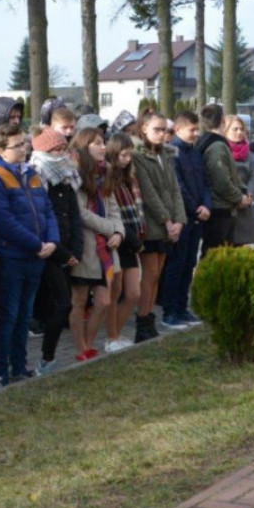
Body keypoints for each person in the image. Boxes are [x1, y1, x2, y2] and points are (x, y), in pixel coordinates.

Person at [0, 123, 58, 384]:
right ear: (1, 150)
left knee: (25, 314)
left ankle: (20, 366)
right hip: (13, 258)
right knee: (9, 314)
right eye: (17, 145)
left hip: (36, 257)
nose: (24, 149)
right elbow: (4, 221)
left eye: (24, 143)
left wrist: (52, 240)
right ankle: (1, 370)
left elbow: (47, 210)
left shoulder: (32, 173)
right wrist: (36, 244)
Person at [27, 127, 82, 374]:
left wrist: (75, 251)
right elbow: (43, 218)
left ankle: (48, 358)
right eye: (55, 150)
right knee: (62, 304)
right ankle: (46, 359)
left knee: (59, 304)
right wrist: (62, 253)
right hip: (50, 251)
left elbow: (75, 216)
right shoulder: (37, 177)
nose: (61, 155)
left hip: (68, 251)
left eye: (63, 149)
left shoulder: (67, 178)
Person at [68, 128, 123, 359]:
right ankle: (80, 350)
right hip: (86, 248)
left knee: (103, 301)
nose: (103, 147)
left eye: (103, 142)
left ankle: (88, 345)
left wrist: (119, 232)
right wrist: (109, 227)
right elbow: (80, 213)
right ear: (83, 147)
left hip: (107, 250)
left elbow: (113, 207)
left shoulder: (106, 173)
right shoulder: (75, 174)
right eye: (97, 143)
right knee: (79, 301)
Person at [132, 113, 186, 343]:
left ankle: (150, 318)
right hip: (153, 223)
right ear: (144, 129)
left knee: (157, 275)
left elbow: (174, 189)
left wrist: (179, 221)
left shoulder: (166, 153)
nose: (163, 134)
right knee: (149, 274)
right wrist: (167, 220)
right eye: (157, 129)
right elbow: (148, 193)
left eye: (165, 130)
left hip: (170, 224)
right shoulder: (138, 156)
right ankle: (142, 322)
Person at [159, 111, 210, 329]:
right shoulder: (172, 153)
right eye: (192, 129)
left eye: (197, 129)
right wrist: (195, 208)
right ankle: (170, 312)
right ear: (178, 130)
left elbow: (205, 181)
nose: (196, 133)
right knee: (176, 265)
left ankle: (182, 308)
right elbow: (177, 186)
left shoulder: (195, 152)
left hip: (198, 216)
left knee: (189, 264)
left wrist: (206, 204)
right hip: (182, 217)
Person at [102, 132, 145, 350]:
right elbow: (111, 212)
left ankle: (115, 336)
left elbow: (136, 209)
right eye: (123, 155)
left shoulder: (130, 178)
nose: (127, 159)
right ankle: (111, 337)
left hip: (132, 238)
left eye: (130, 155)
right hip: (118, 239)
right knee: (115, 292)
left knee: (134, 293)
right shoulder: (108, 177)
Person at [197, 104, 251, 255]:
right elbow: (221, 181)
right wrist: (239, 198)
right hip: (219, 209)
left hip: (219, 206)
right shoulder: (217, 146)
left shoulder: (208, 142)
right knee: (214, 255)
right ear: (222, 121)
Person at [224, 115, 254, 246]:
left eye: (241, 129)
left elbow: (253, 175)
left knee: (240, 243)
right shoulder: (222, 149)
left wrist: (250, 195)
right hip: (228, 202)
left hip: (245, 201)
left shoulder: (248, 151)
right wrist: (237, 198)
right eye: (235, 129)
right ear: (225, 130)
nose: (239, 132)